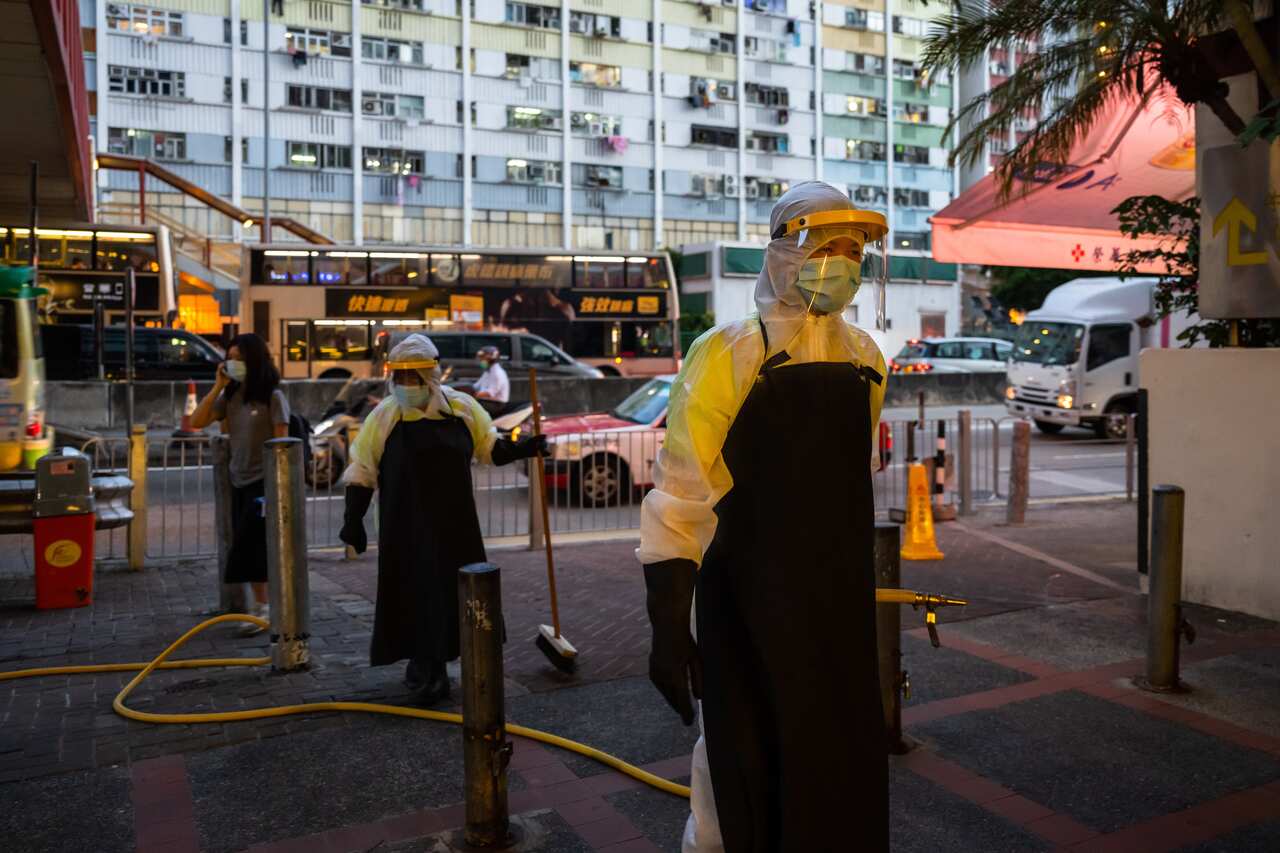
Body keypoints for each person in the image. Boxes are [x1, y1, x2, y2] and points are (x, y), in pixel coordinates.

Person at [637, 181, 890, 852]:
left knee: (834, 742)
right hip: (746, 589)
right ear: (783, 251)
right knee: (736, 743)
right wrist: (668, 617)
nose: (839, 262)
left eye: (852, 250)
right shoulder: (726, 354)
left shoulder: (868, 359)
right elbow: (680, 494)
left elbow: (848, 471)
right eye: (824, 247)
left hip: (835, 593)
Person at [338, 334, 547, 704]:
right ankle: (425, 669)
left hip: (455, 526)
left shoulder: (463, 409)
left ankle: (449, 667)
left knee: (455, 596)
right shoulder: (384, 417)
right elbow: (362, 469)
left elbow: (489, 448)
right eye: (398, 378)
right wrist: (352, 519)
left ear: (430, 376)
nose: (405, 386)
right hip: (405, 528)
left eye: (412, 378)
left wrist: (525, 447)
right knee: (415, 594)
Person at [189, 333, 290, 636]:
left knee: (254, 547)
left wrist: (278, 486)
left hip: (264, 483)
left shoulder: (273, 396)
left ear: (255, 360)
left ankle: (264, 608)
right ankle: (260, 608)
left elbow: (282, 442)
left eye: (239, 358)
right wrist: (219, 384)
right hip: (238, 479)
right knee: (244, 545)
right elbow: (197, 420)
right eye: (229, 357)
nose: (232, 363)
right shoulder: (231, 396)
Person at [472, 345, 510, 417]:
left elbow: (490, 393)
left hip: (496, 404)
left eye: (482, 358)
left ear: (490, 359)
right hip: (485, 401)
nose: (480, 360)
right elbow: (476, 385)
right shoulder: (487, 371)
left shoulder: (497, 373)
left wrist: (473, 395)